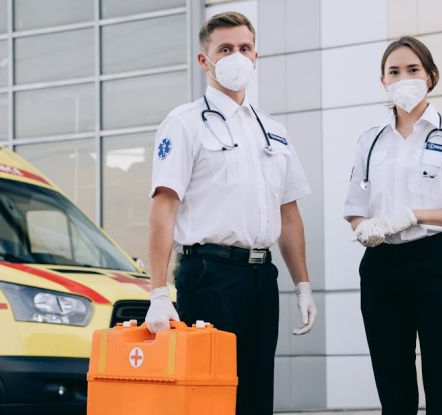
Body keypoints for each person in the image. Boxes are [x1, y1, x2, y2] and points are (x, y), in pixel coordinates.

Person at [144, 11, 317, 415]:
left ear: (256, 57)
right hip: (210, 277)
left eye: (244, 48)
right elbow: (163, 209)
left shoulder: (272, 130)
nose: (236, 56)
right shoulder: (184, 124)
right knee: (211, 399)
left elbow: (288, 213)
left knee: (257, 397)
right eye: (225, 49)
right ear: (204, 60)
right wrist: (156, 292)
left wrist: (303, 284)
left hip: (262, 277)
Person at [343, 36, 442, 415]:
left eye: (413, 69)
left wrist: (416, 215)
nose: (403, 77)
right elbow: (356, 208)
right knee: (394, 391)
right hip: (382, 267)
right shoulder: (370, 141)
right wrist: (363, 227)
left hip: (436, 263)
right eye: (394, 71)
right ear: (383, 81)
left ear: (431, 76)